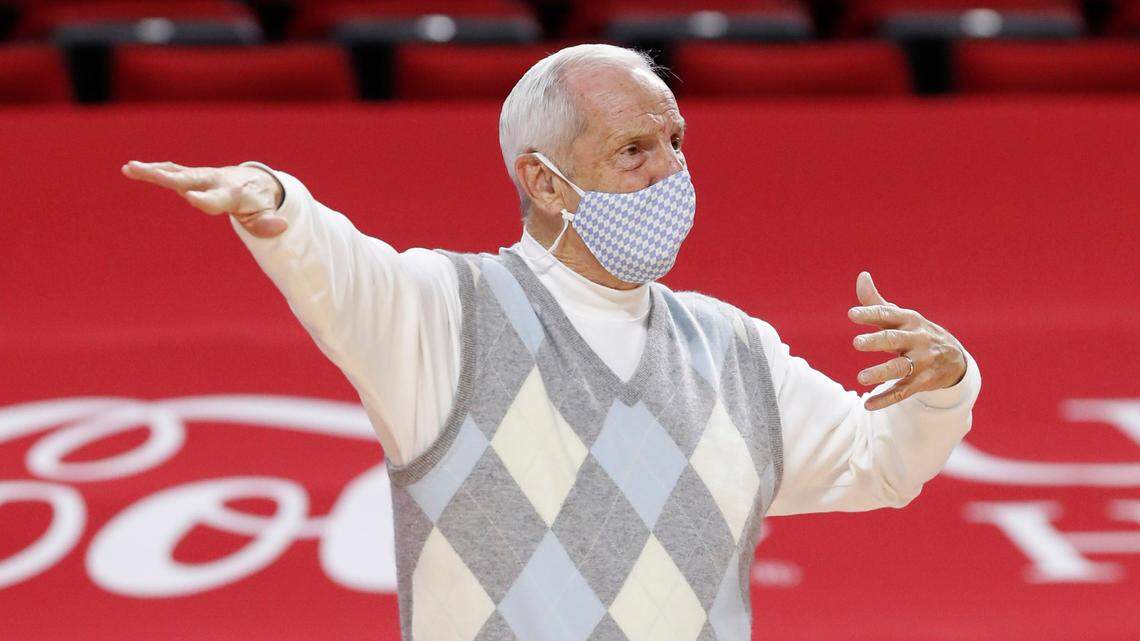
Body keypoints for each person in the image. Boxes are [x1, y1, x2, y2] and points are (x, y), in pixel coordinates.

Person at [122, 44, 980, 641]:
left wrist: (943, 386)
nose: (669, 173)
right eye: (633, 150)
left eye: (676, 143)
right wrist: (272, 197)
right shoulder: (447, 312)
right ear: (542, 178)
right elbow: (343, 270)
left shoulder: (735, 348)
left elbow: (879, 462)